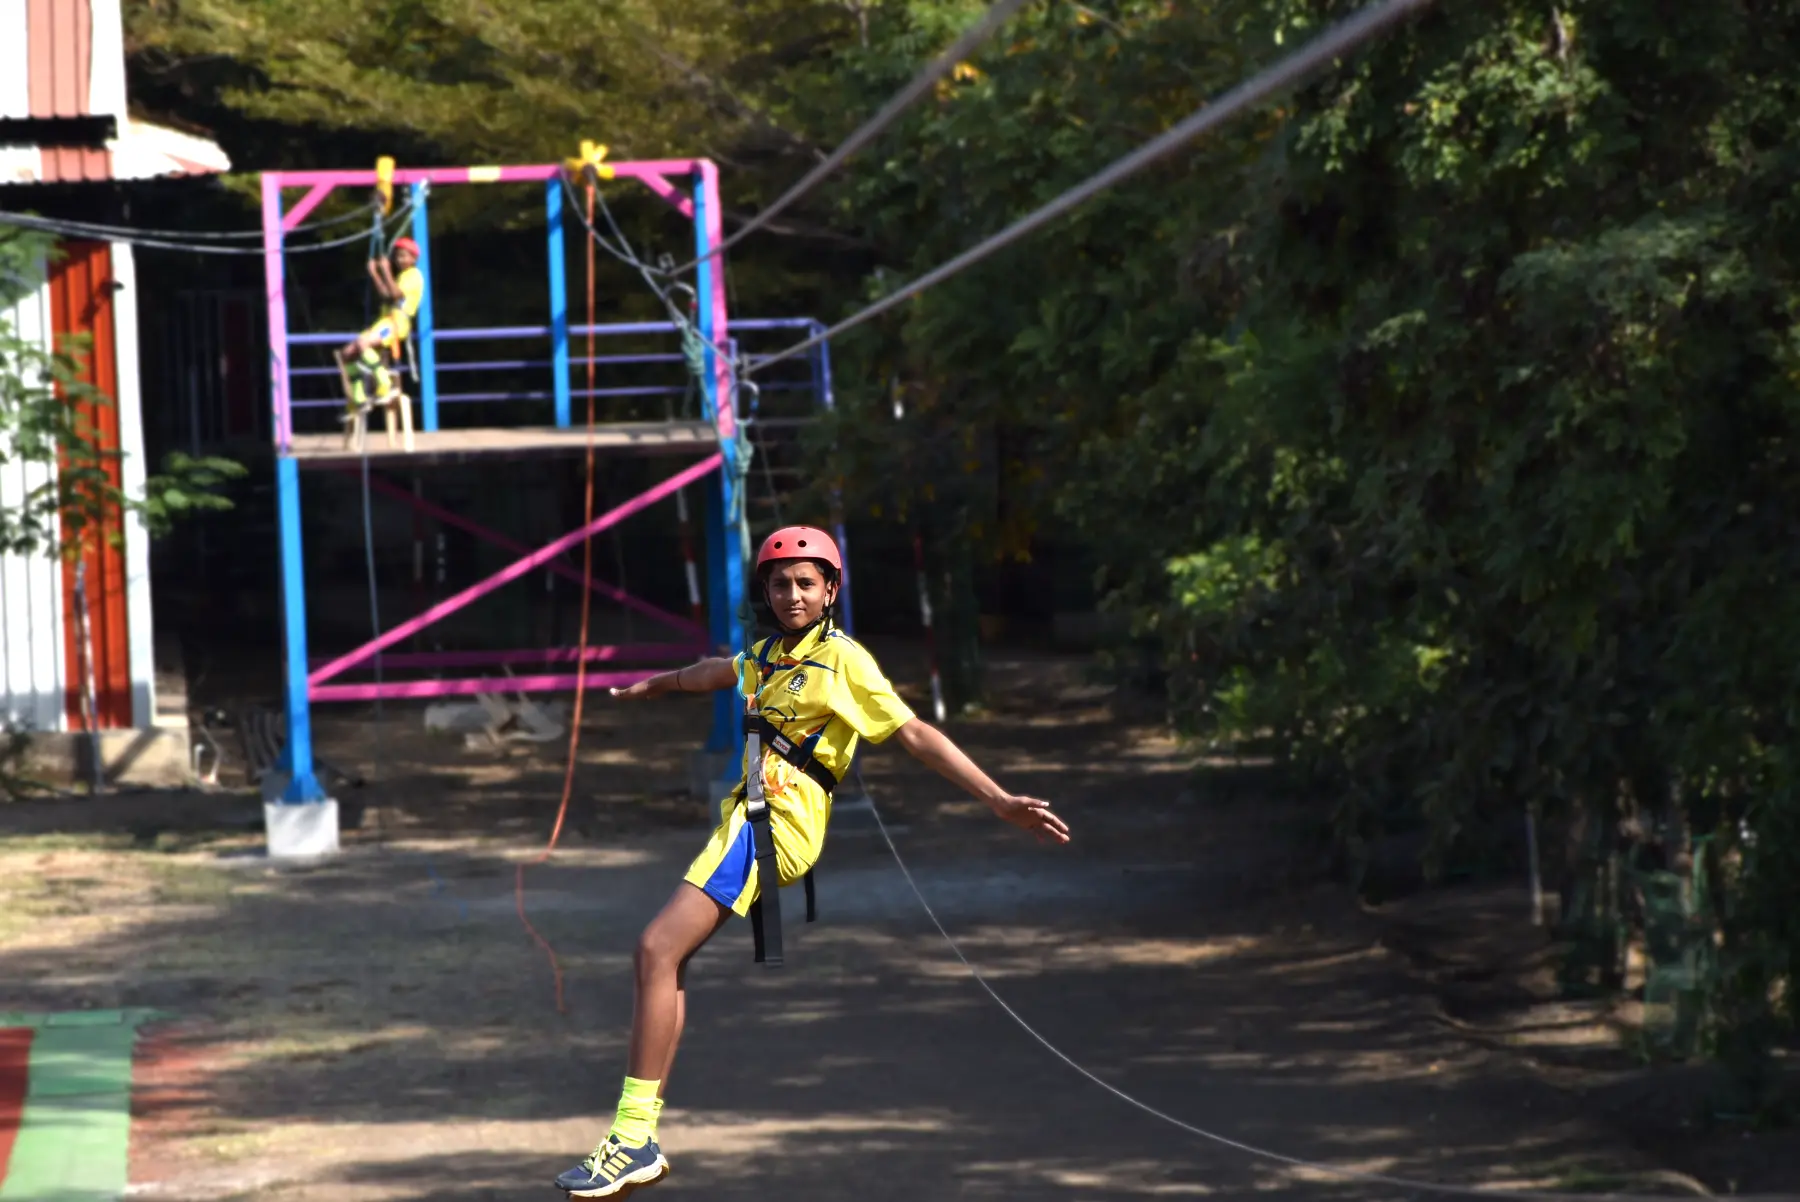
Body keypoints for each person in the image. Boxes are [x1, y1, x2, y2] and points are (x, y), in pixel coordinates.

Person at [553, 525, 1070, 1198]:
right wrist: (659, 684)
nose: (791, 593)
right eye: (778, 583)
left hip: (778, 826)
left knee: (654, 949)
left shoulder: (844, 661)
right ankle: (636, 1135)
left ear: (830, 590)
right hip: (746, 819)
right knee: (663, 959)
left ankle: (630, 1139)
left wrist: (998, 799)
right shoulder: (770, 652)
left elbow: (913, 732)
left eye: (805, 583)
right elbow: (722, 669)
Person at [334, 237, 423, 414]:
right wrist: (375, 274)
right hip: (386, 321)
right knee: (347, 353)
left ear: (413, 259)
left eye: (404, 256)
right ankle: (359, 398)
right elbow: (386, 294)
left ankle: (385, 383)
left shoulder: (414, 276)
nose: (400, 259)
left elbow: (396, 295)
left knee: (362, 343)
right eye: (398, 256)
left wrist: (386, 271)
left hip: (397, 323)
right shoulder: (401, 276)